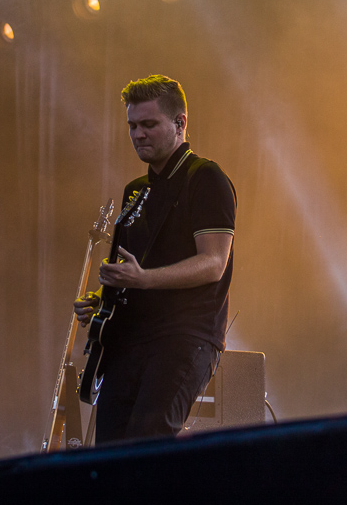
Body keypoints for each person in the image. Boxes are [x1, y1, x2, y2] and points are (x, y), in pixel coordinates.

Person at [74, 75, 236, 443]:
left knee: (149, 442)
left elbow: (214, 263)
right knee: (110, 451)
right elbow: (132, 273)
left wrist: (143, 279)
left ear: (180, 123)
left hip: (185, 335)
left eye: (149, 124)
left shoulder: (206, 178)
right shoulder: (136, 191)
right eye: (132, 125)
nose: (138, 134)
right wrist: (101, 302)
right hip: (129, 339)